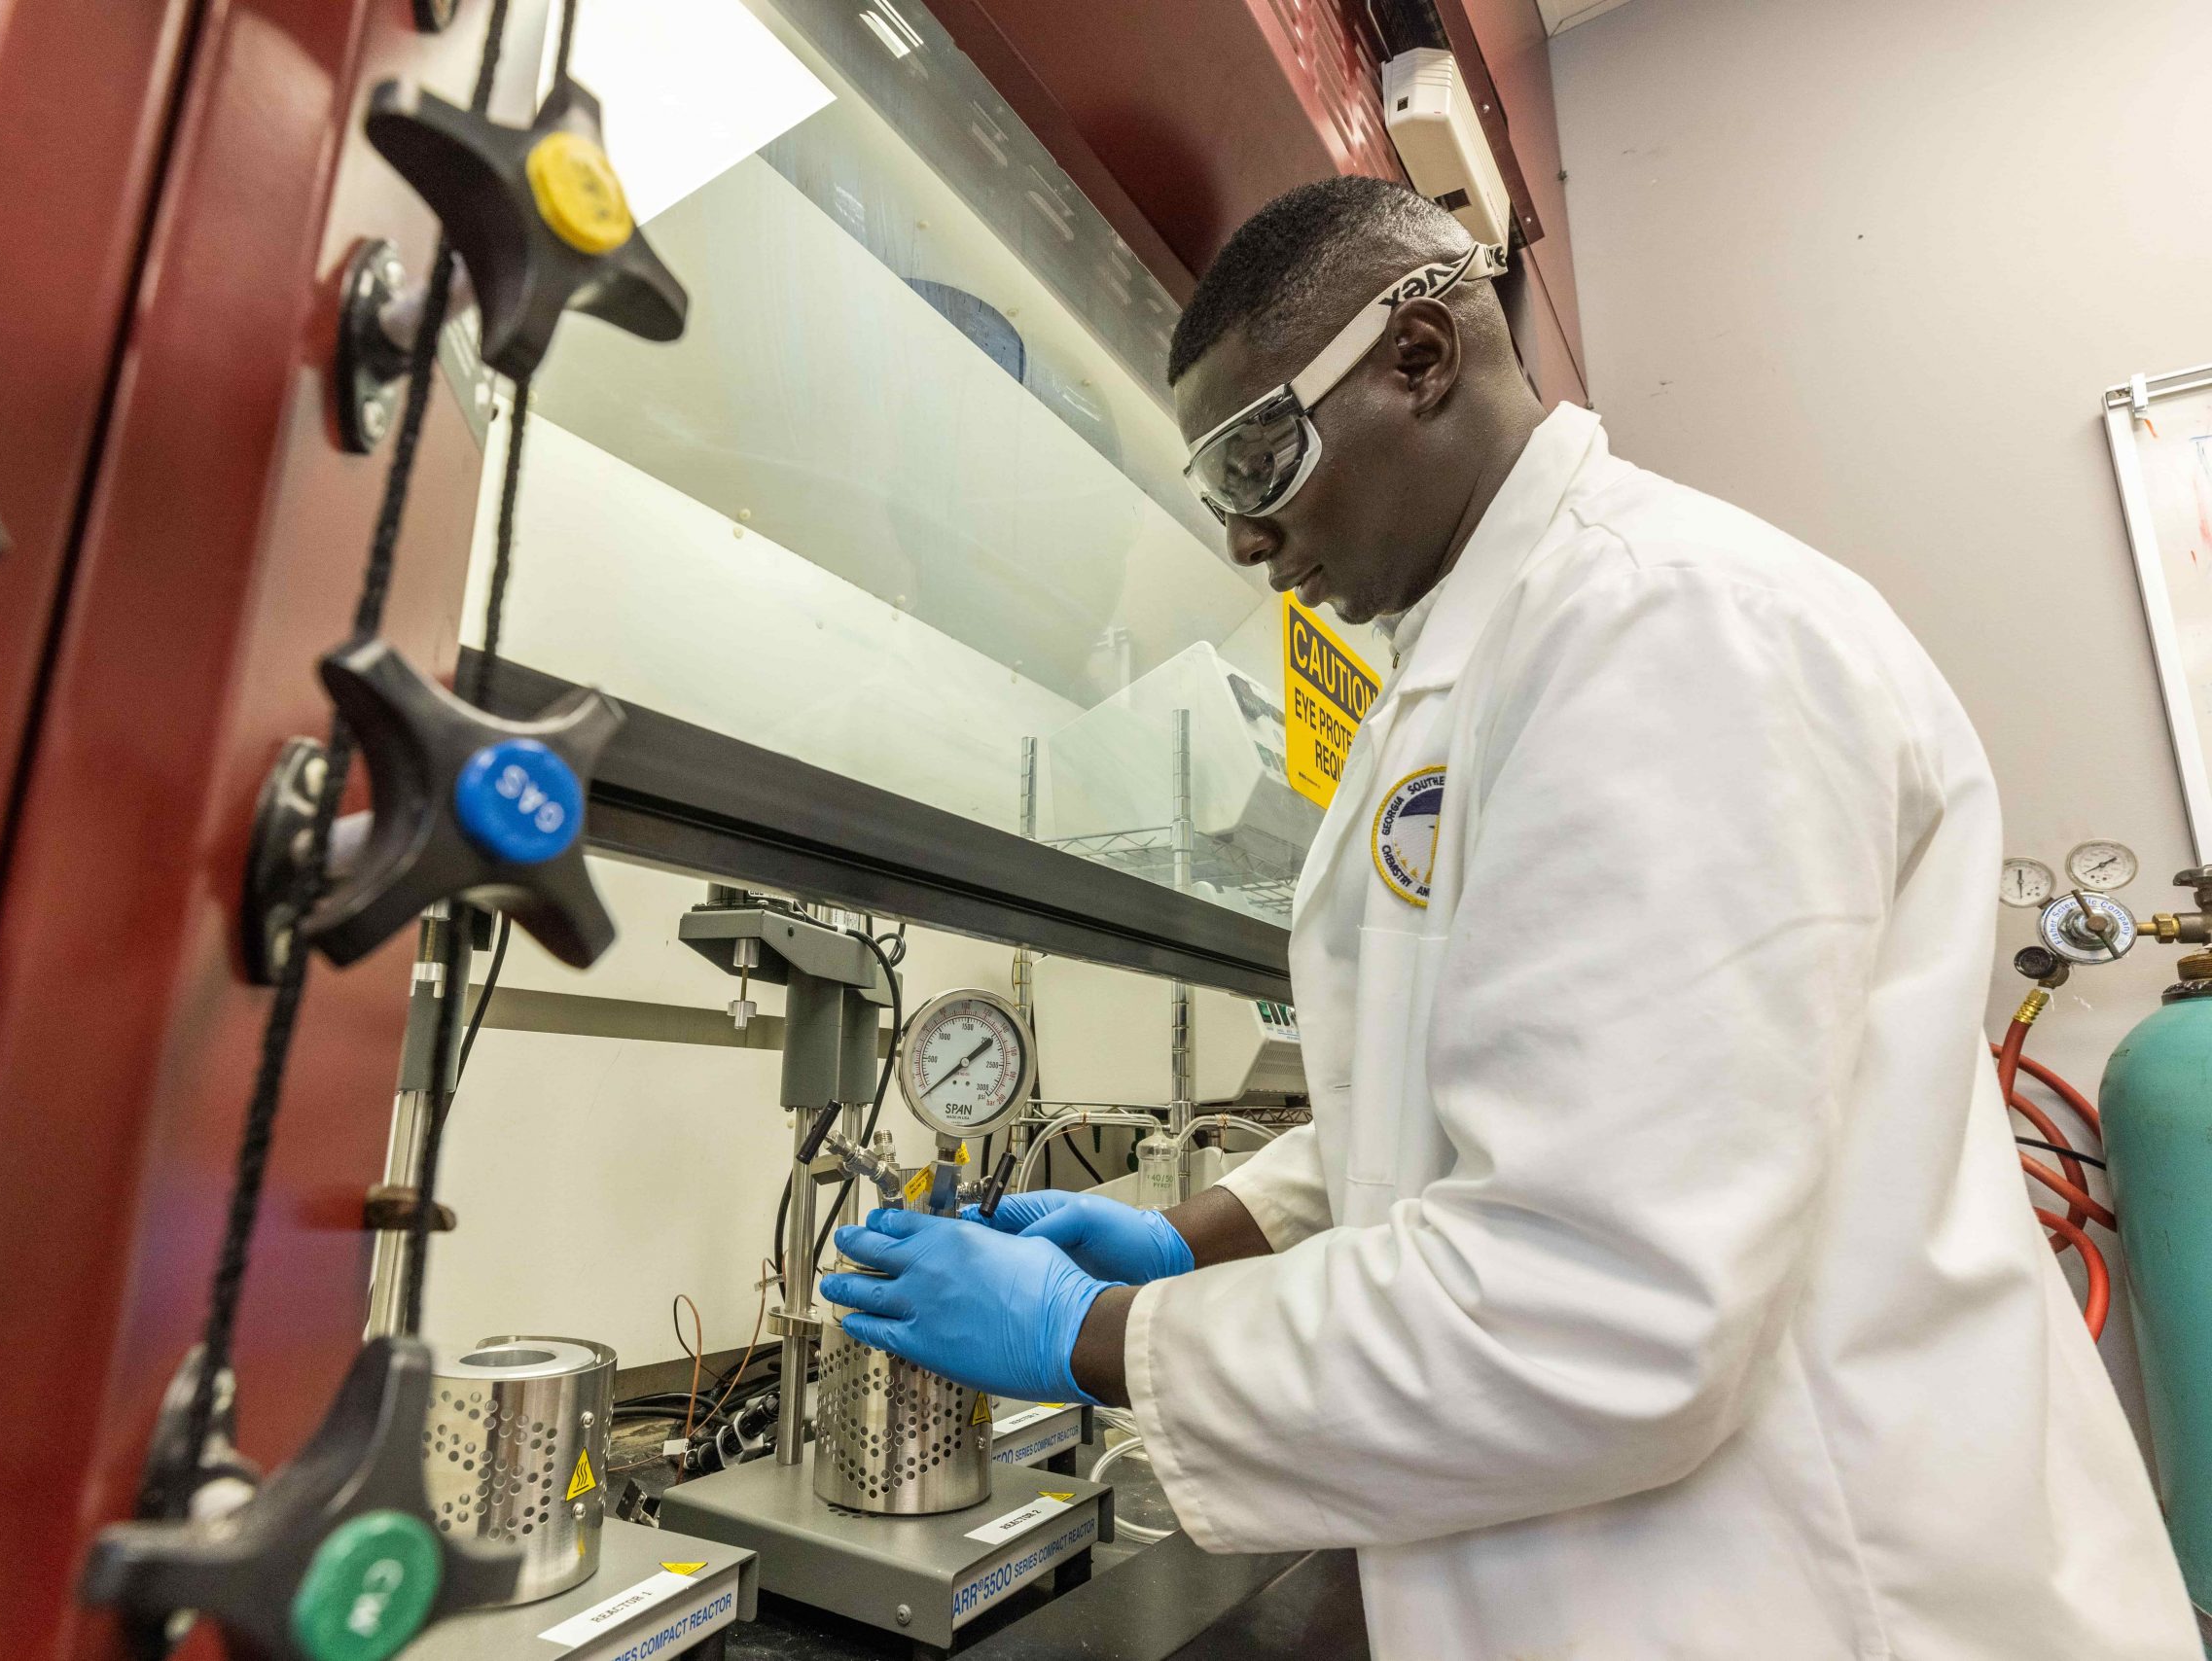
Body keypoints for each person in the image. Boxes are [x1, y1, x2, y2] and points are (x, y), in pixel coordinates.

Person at [821, 176, 2199, 1658]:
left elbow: (1597, 1303)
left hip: (1819, 1589)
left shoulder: (1665, 629)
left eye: (1262, 457)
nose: (1249, 540)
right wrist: (1200, 1233)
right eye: (1220, 486)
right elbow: (1509, 1084)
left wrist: (1088, 1336)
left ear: (1421, 358)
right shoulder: (1485, 659)